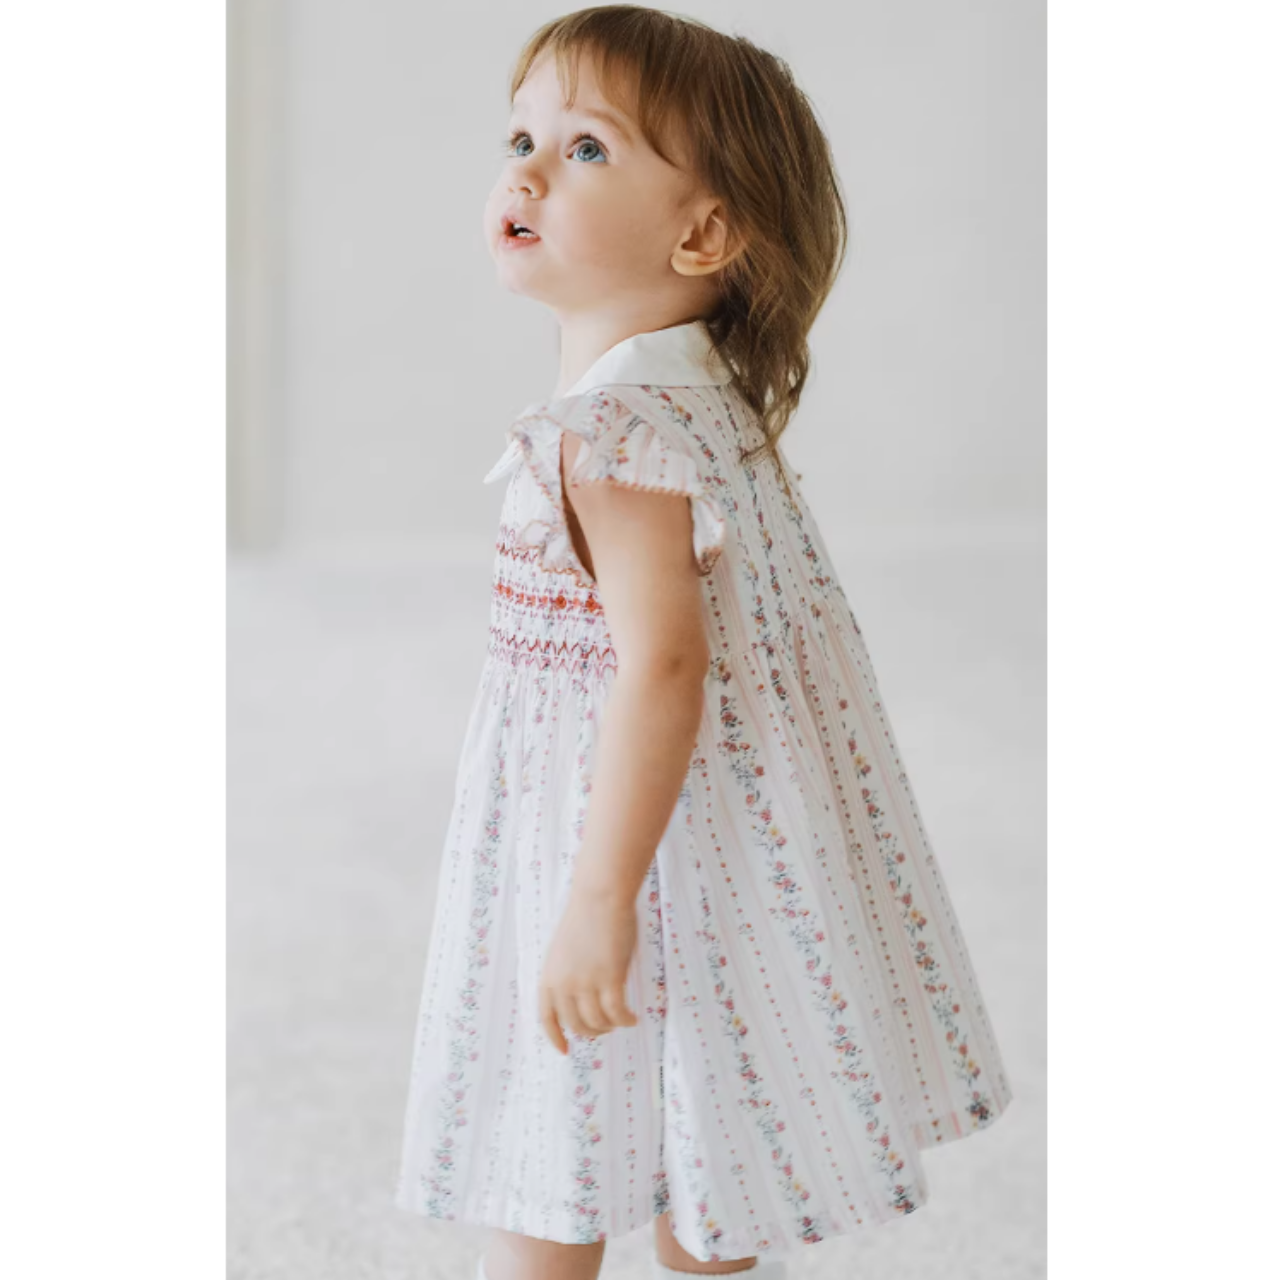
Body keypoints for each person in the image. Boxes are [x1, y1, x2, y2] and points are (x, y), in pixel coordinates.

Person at [393, 8, 1014, 1279]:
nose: (525, 171)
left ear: (700, 235)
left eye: (584, 150)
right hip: (727, 839)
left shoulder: (609, 436)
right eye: (520, 138)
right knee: (707, 1126)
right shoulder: (698, 400)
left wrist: (596, 898)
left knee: (551, 1125)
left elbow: (664, 667)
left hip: (611, 827)